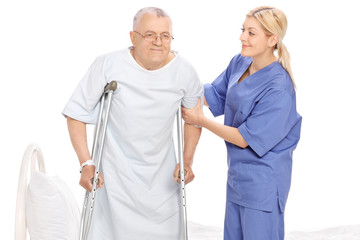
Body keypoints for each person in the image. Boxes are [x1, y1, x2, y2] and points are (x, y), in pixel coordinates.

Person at [63, 7, 203, 240]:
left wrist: (187, 160)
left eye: (165, 35)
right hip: (114, 172)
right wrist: (86, 163)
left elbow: (193, 119)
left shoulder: (185, 71)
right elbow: (76, 113)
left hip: (162, 174)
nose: (158, 42)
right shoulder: (108, 64)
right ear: (133, 37)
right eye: (149, 34)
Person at [182, 6, 302, 240]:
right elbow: (212, 95)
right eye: (243, 30)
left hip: (264, 183)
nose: (242, 37)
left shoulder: (279, 87)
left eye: (251, 33)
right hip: (238, 177)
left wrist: (201, 121)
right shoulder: (240, 63)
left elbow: (245, 138)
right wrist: (175, 86)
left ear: (272, 40)